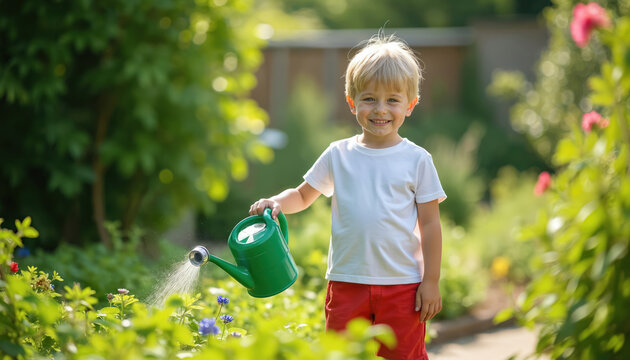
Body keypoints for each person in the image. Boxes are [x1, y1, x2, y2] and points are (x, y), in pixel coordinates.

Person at [249, 33, 446, 360]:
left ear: (410, 105)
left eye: (392, 100)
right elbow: (302, 195)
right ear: (352, 101)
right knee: (339, 355)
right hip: (346, 283)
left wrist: (432, 280)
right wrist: (276, 203)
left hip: (402, 286)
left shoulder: (418, 161)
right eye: (369, 99)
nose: (380, 109)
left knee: (403, 355)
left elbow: (430, 225)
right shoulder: (338, 155)